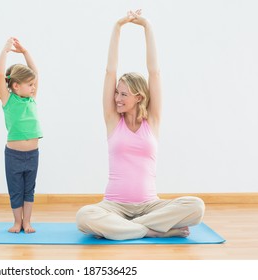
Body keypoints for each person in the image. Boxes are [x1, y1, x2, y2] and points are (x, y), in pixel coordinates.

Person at [76, 10, 205, 240]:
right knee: (84, 217)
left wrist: (147, 27)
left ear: (138, 96)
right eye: (116, 93)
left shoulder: (152, 121)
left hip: (150, 206)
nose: (117, 98)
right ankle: (151, 231)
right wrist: (117, 27)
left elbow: (154, 72)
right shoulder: (113, 119)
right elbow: (110, 71)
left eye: (123, 94)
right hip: (114, 206)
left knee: (196, 207)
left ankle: (125, 228)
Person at [0, 37, 42, 233]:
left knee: (28, 190)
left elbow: (36, 73)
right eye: (29, 84)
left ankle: (27, 222)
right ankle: (17, 222)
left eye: (33, 85)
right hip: (14, 155)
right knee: (16, 190)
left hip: (32, 154)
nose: (33, 87)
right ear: (16, 85)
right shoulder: (8, 100)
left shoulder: (31, 99)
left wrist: (25, 52)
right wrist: (5, 51)